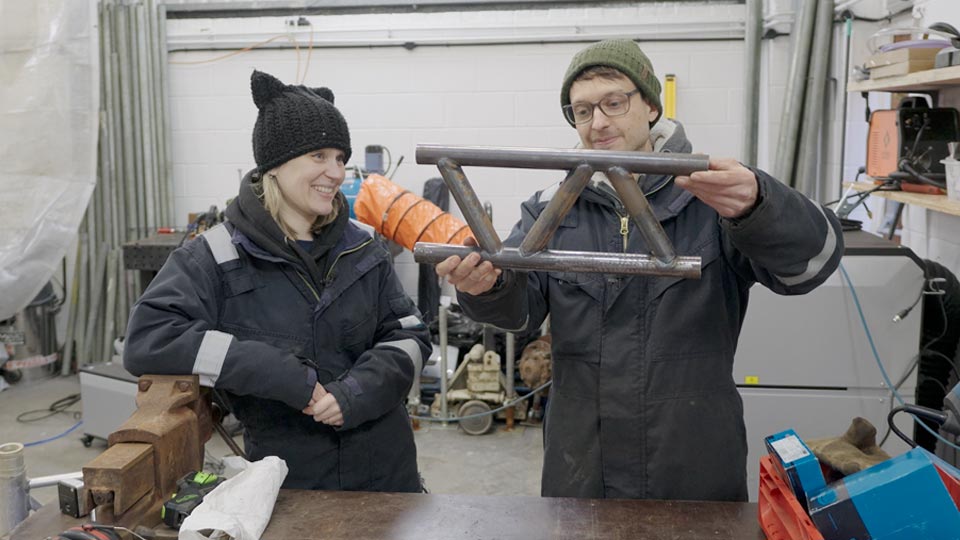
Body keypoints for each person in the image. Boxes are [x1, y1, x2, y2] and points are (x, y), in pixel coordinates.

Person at [436, 39, 843, 501]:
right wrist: (486, 287)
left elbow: (810, 266)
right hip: (583, 462)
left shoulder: (711, 196)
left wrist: (760, 205)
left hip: (692, 458)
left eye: (614, 102)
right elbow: (519, 312)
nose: (599, 122)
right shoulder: (551, 209)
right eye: (583, 110)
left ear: (651, 105)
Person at [124, 70, 429, 492]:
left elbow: (408, 336)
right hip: (288, 485)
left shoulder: (363, 248)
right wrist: (273, 371)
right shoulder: (216, 255)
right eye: (319, 156)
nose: (337, 172)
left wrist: (358, 392)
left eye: (341, 157)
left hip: (387, 476)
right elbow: (150, 338)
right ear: (276, 164)